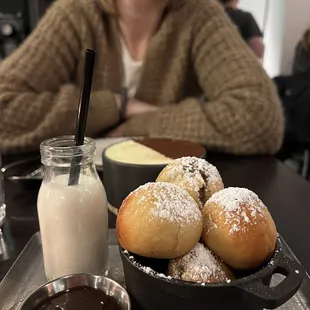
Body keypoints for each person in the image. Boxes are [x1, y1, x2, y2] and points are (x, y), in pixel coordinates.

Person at [0, 0, 283, 155]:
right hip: (78, 191)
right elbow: (5, 107)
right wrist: (115, 104)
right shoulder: (75, 13)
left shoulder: (200, 14)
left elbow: (260, 117)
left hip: (173, 192)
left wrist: (134, 126)